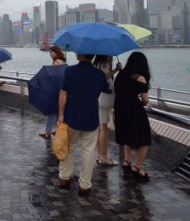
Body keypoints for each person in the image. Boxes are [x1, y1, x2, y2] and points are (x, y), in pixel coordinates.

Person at [58, 53, 110, 195]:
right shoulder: (98, 74)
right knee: (88, 150)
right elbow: (106, 88)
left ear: (80, 55)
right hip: (91, 117)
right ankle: (84, 185)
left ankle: (64, 178)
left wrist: (61, 115)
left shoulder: (69, 71)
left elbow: (63, 94)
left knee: (69, 147)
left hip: (71, 116)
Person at [114, 51, 152, 182]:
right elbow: (145, 100)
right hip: (134, 111)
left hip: (119, 110)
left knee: (127, 137)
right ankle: (137, 167)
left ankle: (127, 162)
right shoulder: (140, 78)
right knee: (144, 138)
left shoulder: (121, 75)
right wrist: (144, 101)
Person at [93, 55, 122, 166]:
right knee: (104, 129)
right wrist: (117, 69)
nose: (111, 57)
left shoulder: (96, 64)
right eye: (109, 55)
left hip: (99, 99)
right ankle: (104, 157)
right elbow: (103, 78)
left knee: (100, 129)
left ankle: (100, 155)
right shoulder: (104, 64)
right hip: (105, 100)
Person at [39, 46, 67, 138]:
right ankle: (58, 129)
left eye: (52, 52)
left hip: (55, 91)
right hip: (62, 89)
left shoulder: (56, 63)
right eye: (50, 52)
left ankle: (47, 131)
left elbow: (53, 77)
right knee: (59, 111)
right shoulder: (63, 62)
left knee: (50, 111)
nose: (50, 54)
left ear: (57, 52)